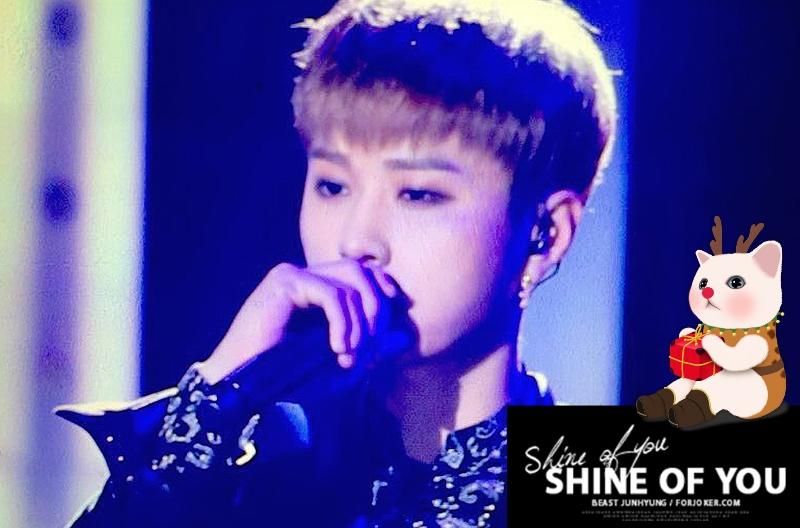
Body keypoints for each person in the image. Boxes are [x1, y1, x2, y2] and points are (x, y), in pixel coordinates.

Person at [56, 0, 617, 525]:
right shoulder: (248, 468)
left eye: (418, 194)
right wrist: (216, 397)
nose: (356, 241)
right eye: (332, 185)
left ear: (546, 234)